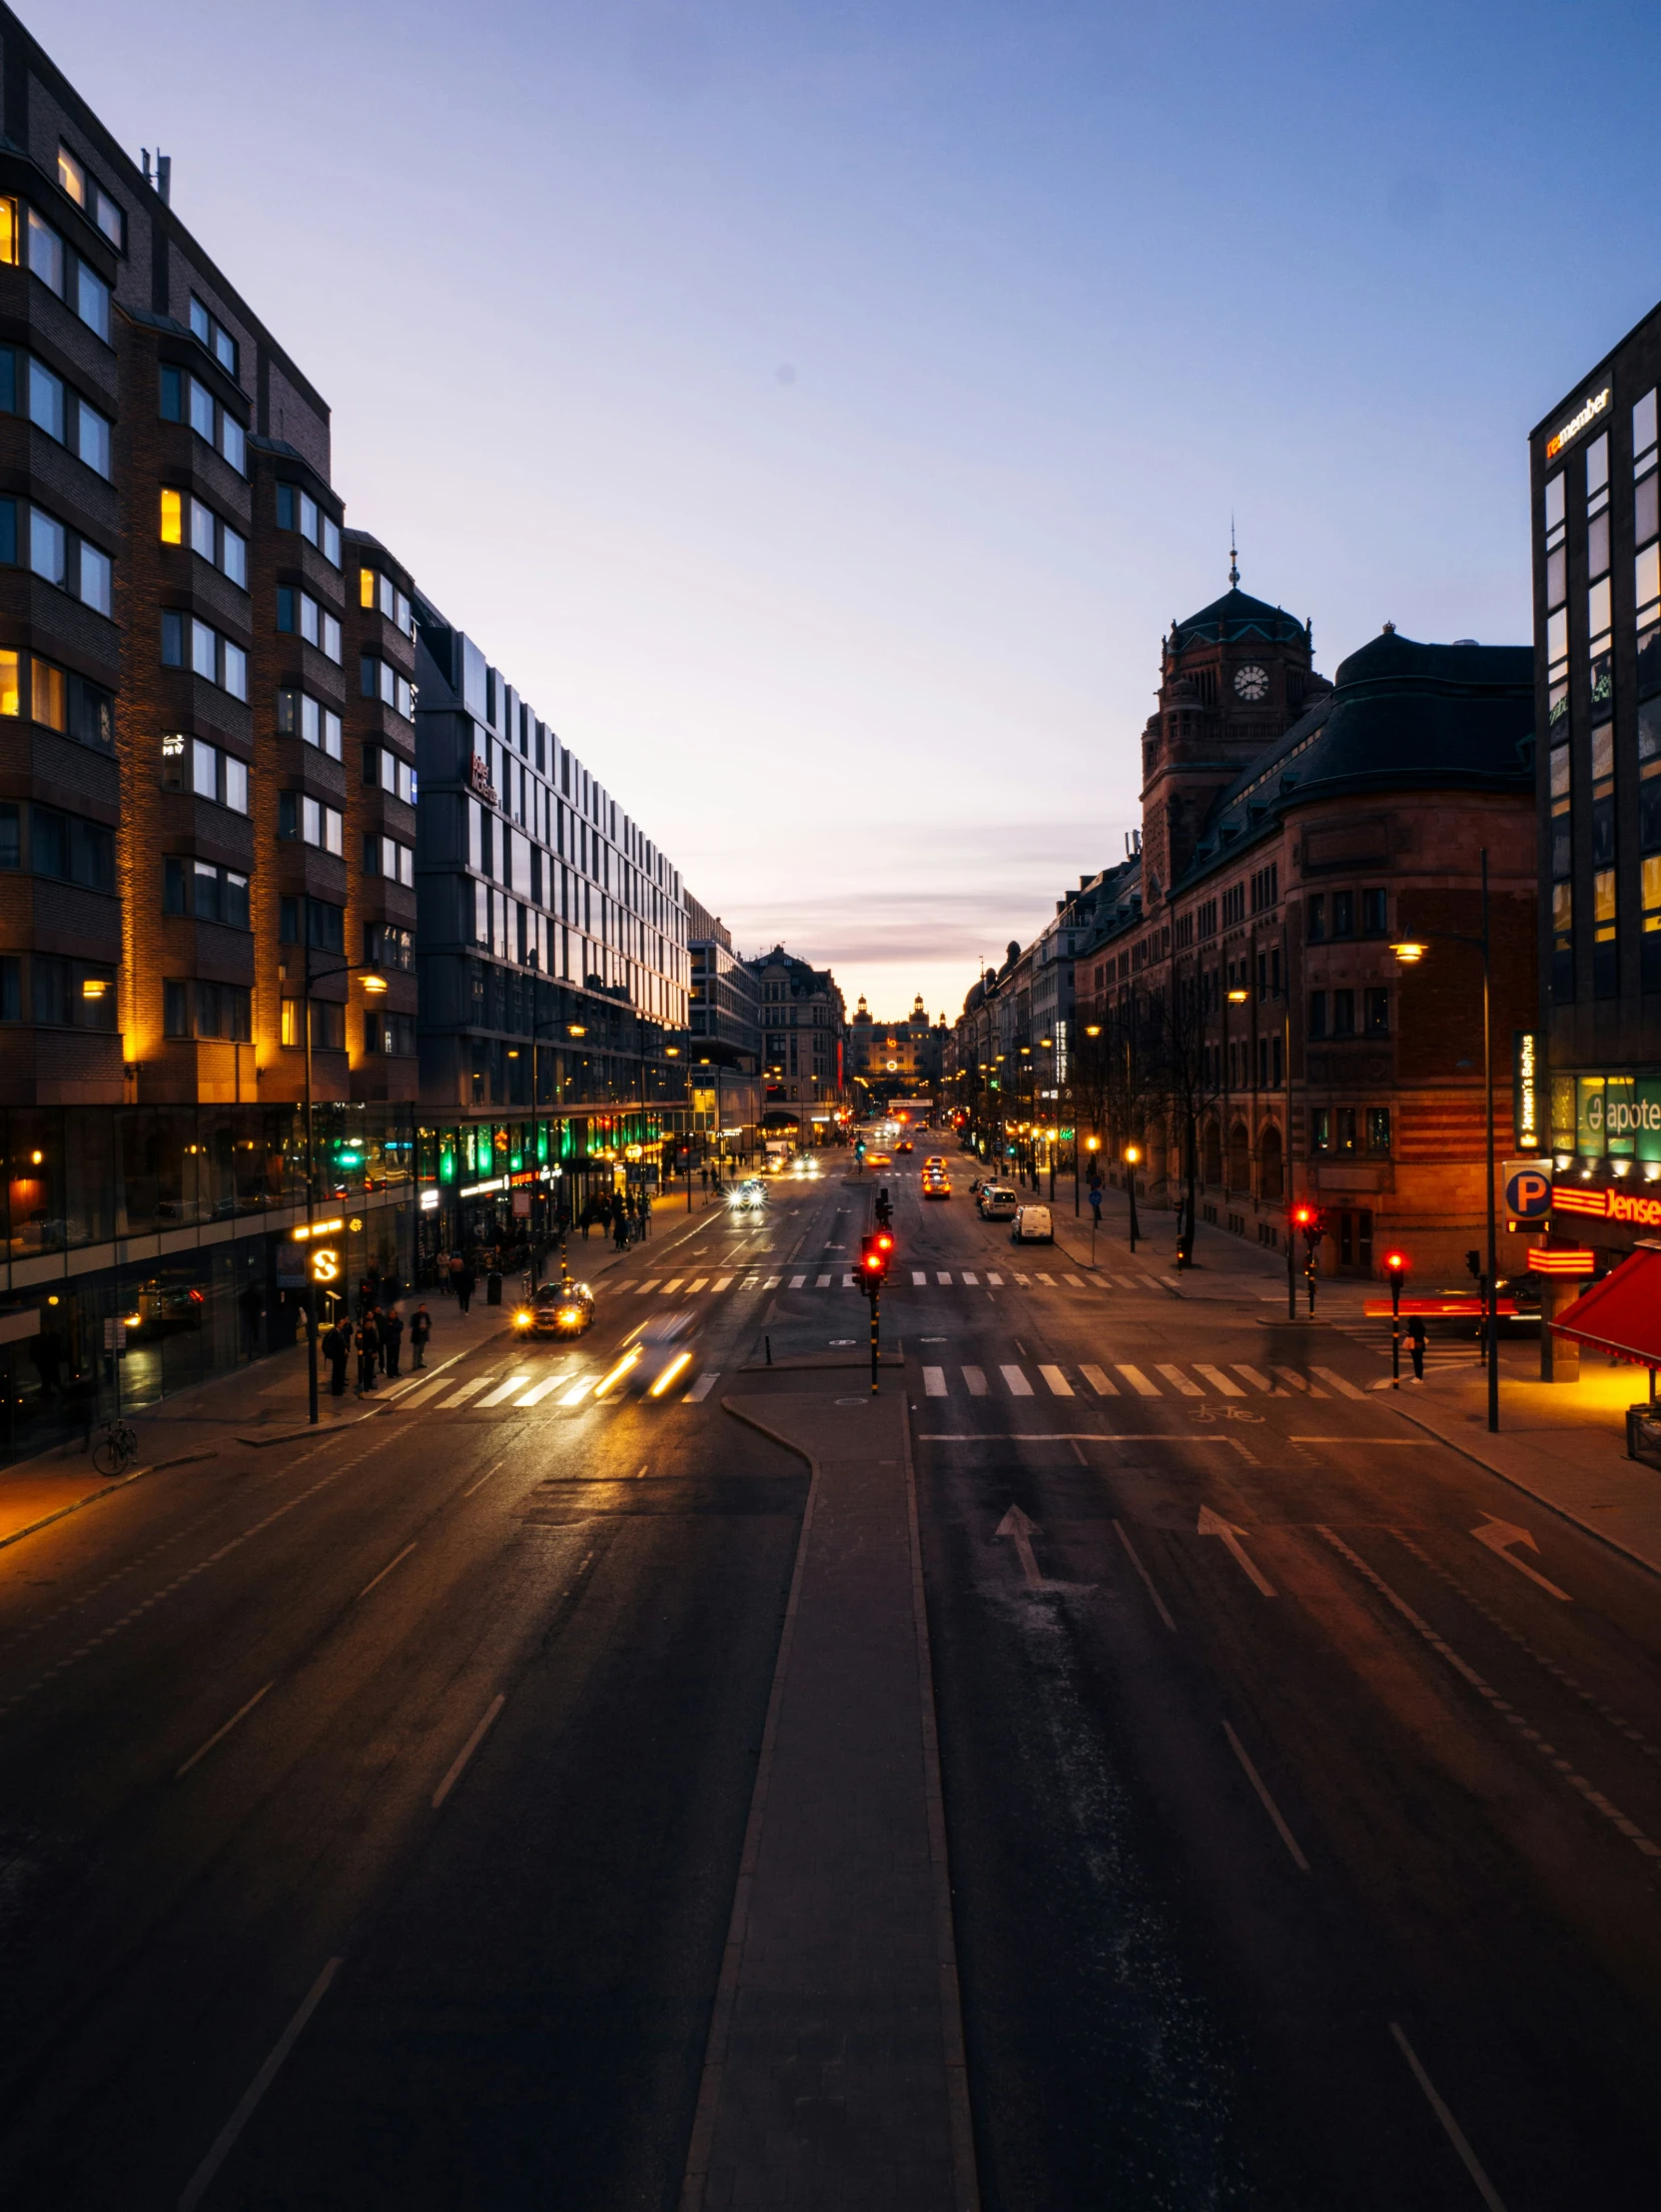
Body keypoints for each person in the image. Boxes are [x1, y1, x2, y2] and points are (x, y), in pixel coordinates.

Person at [322, 1316, 350, 1397]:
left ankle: (339, 1388)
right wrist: (334, 1353)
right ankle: (336, 1390)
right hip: (337, 1356)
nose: (343, 1325)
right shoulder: (334, 1333)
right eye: (341, 1323)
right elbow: (332, 1345)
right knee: (337, 1373)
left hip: (341, 1355)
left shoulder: (339, 1332)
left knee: (340, 1372)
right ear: (337, 1324)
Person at [357, 1309, 381, 1394]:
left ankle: (370, 1383)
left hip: (371, 1353)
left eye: (370, 1324)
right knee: (365, 1369)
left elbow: (376, 1342)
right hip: (364, 1354)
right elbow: (358, 1343)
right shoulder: (361, 1332)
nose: (369, 1326)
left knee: (371, 1369)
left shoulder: (372, 1331)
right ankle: (365, 1385)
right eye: (367, 1324)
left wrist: (374, 1351)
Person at [381, 1305, 404, 1378]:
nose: (393, 1315)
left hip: (396, 1342)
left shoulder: (399, 1321)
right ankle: (390, 1373)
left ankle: (395, 1371)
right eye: (391, 1314)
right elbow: (384, 1331)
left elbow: (400, 1328)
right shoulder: (386, 1322)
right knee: (389, 1358)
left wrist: (392, 1325)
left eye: (394, 1314)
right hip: (389, 1343)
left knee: (396, 1358)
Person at [410, 1303, 431, 1369]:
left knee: (421, 1351)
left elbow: (430, 1323)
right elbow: (412, 1324)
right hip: (417, 1335)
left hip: (423, 1335)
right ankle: (415, 1364)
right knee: (416, 1351)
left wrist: (426, 1326)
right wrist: (419, 1326)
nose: (423, 1309)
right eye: (422, 1307)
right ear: (419, 1308)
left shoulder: (426, 1315)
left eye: (424, 1308)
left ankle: (420, 1363)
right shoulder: (415, 1315)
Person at [1408, 1314, 1427, 1383]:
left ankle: (1418, 1377)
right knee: (1419, 1361)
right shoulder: (1421, 1327)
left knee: (1417, 1362)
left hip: (1415, 1345)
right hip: (1419, 1345)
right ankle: (1418, 1376)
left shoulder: (1413, 1327)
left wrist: (1408, 1334)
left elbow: (1412, 1334)